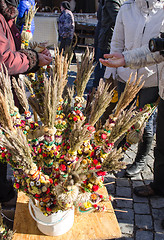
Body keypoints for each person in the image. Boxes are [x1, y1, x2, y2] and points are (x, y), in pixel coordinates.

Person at [0, 0, 52, 205]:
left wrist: (34, 53)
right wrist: (33, 59)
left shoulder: (7, 17)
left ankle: (3, 190)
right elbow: (5, 60)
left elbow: (12, 50)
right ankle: (3, 195)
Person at [103, 0, 164, 177]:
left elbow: (158, 50)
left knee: (144, 122)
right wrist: (110, 73)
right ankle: (117, 156)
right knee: (123, 119)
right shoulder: (126, 8)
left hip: (151, 78)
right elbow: (117, 42)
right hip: (125, 75)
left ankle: (141, 160)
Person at [93, 0, 123, 89]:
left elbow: (118, 21)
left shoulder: (110, 2)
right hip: (106, 40)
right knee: (101, 67)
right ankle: (97, 89)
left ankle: (98, 89)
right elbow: (119, 20)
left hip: (107, 39)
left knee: (102, 67)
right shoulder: (109, 2)